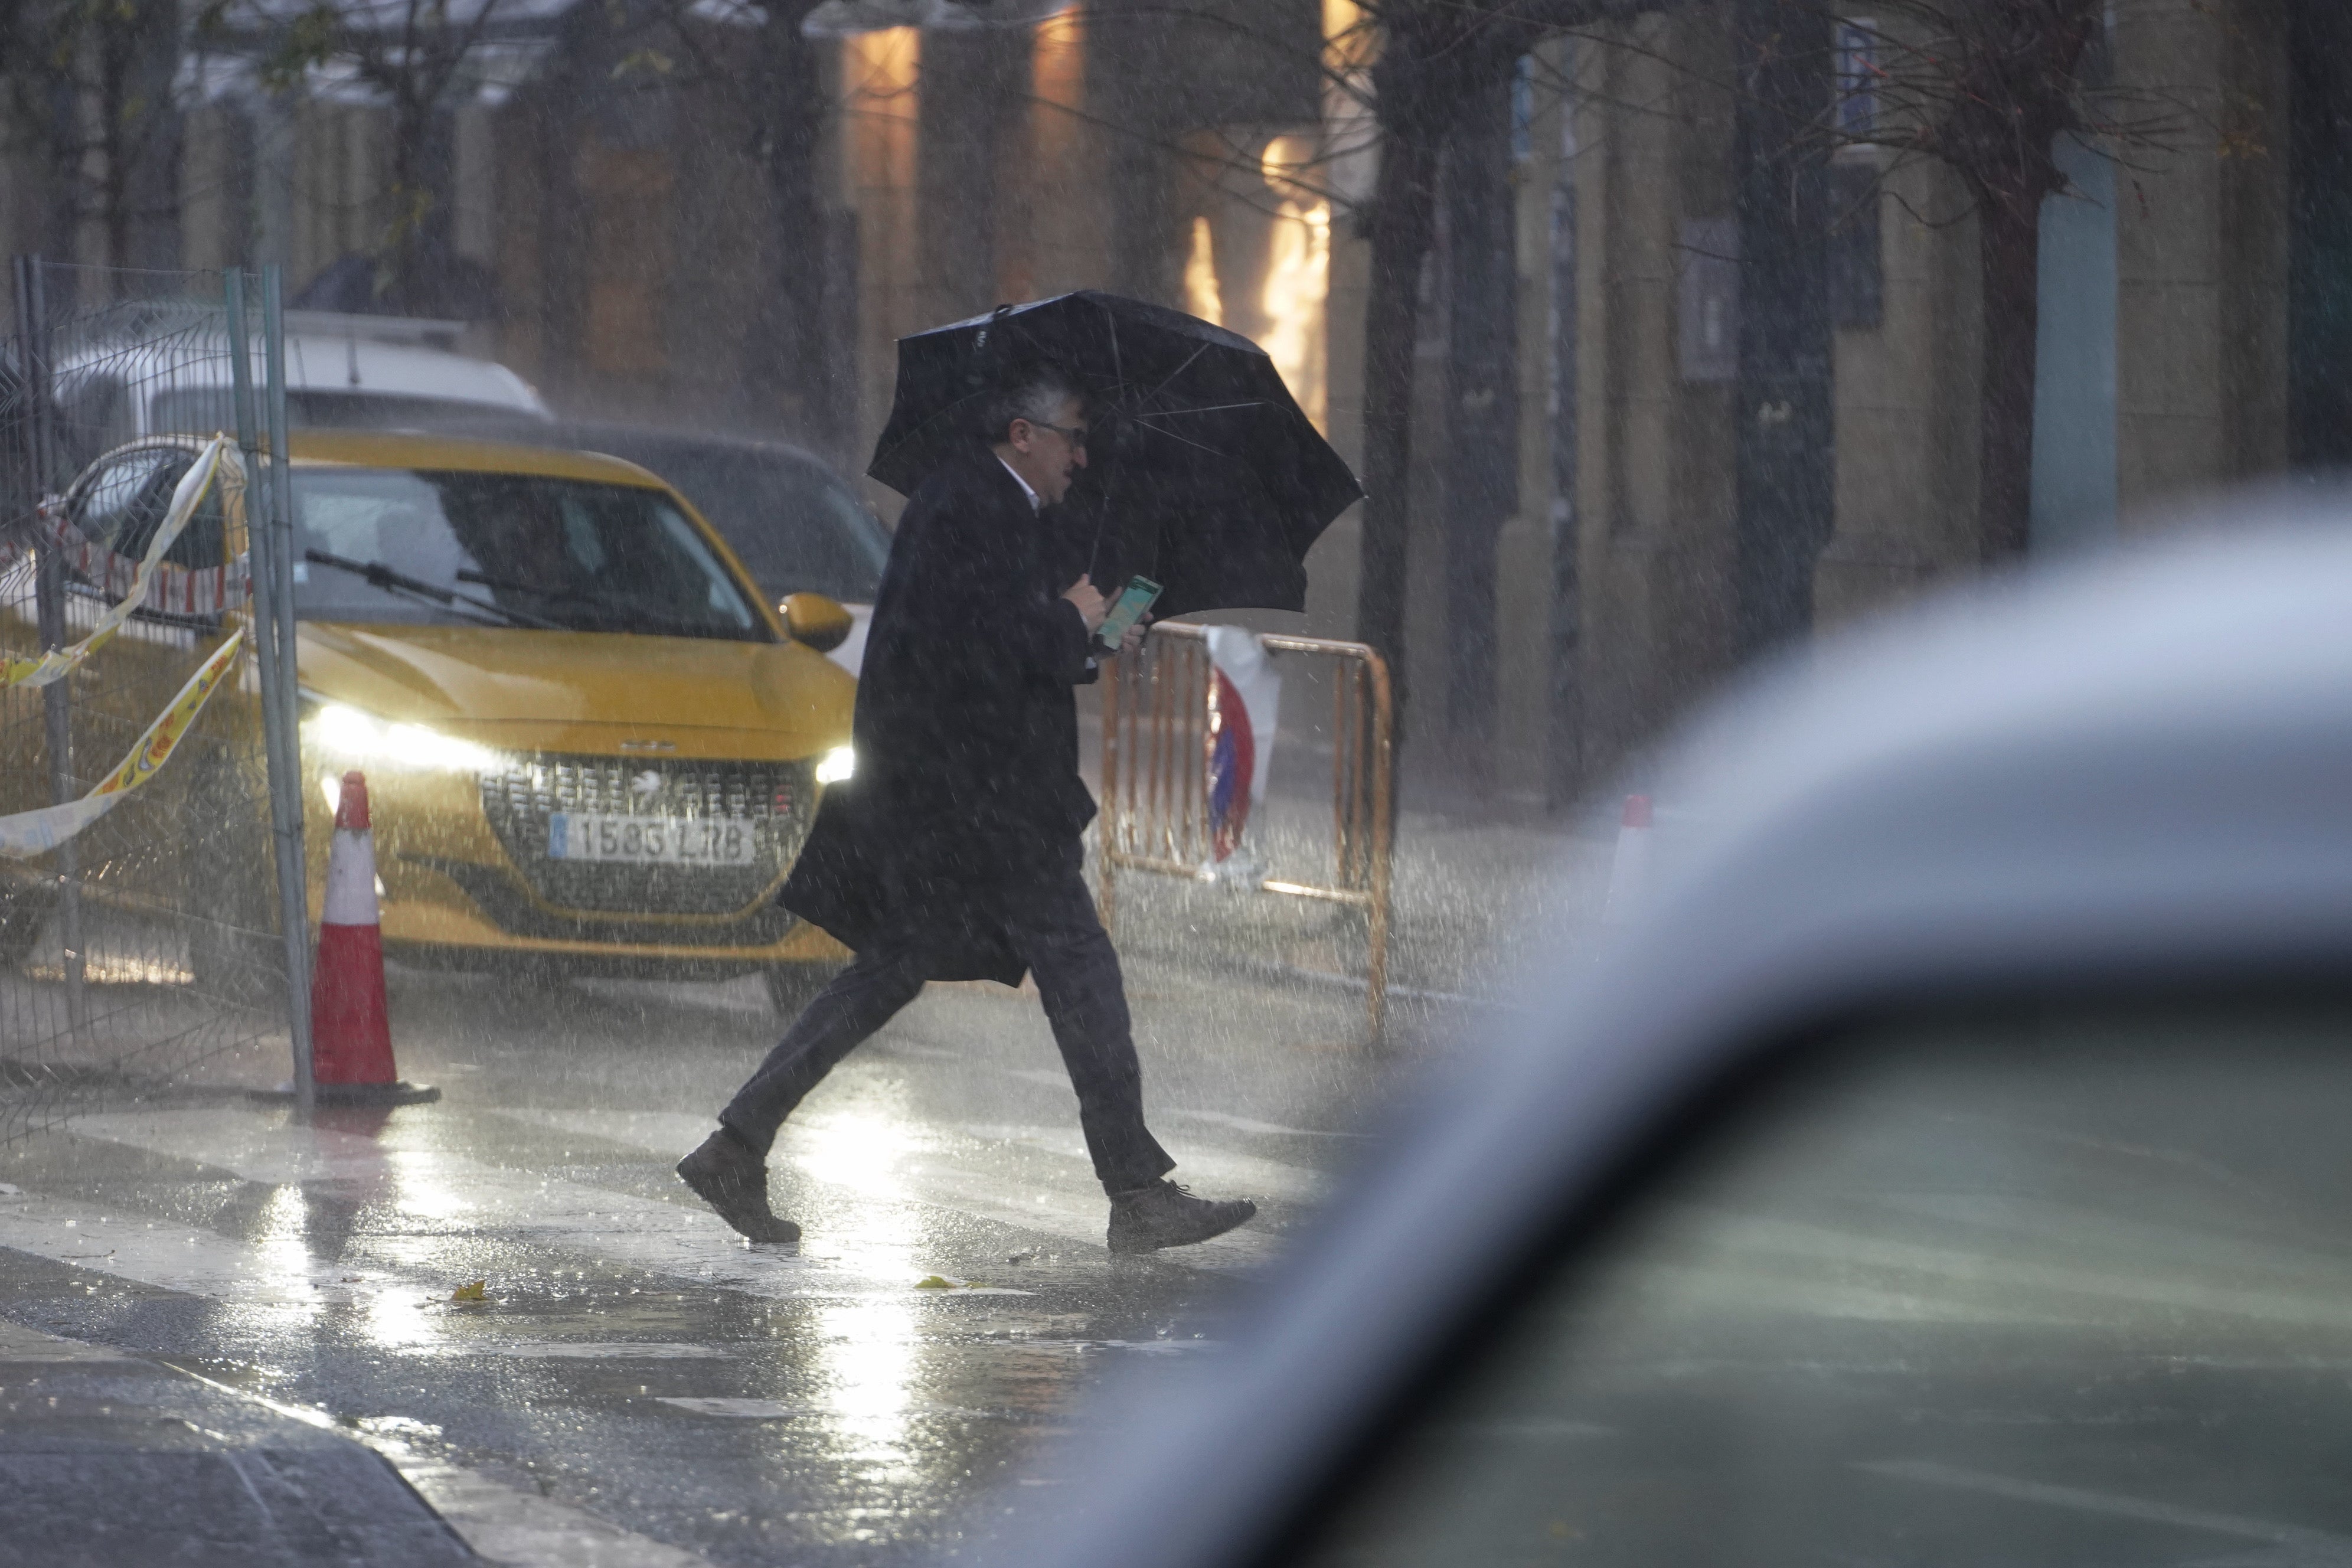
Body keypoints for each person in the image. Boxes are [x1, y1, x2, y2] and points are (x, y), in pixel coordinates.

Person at [677, 362, 1258, 1255]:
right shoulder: (973, 507)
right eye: (1071, 436)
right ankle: (1137, 1192)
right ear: (1022, 434)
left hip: (957, 795)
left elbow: (1001, 641)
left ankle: (737, 1144)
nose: (1082, 455)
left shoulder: (990, 508)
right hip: (981, 799)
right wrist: (1067, 622)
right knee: (1081, 973)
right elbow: (986, 648)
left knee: (893, 968)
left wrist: (1092, 636)